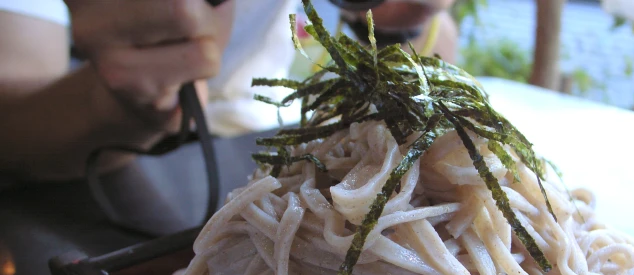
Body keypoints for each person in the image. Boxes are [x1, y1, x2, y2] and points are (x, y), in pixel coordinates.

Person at [0, 0, 457, 183]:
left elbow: (441, 45)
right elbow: (13, 128)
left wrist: (403, 18)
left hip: (273, 148)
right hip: (110, 169)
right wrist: (126, 94)